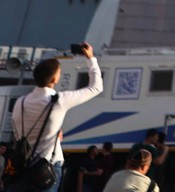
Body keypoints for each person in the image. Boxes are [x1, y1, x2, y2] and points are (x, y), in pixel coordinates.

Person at [10, 44, 104, 192]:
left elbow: (18, 135)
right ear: (54, 78)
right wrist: (90, 58)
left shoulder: (20, 102)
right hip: (47, 166)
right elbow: (96, 87)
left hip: (25, 166)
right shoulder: (58, 100)